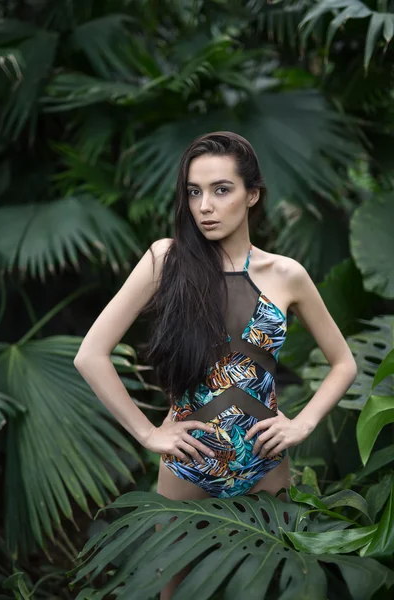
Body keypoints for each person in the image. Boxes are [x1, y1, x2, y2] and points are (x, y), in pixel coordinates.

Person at [74, 131, 358, 599]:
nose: (204, 205)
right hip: (188, 463)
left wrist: (303, 423)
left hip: (264, 466)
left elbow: (343, 363)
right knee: (176, 592)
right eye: (194, 191)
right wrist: (148, 434)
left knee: (266, 589)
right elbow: (91, 354)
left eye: (221, 190)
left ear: (252, 195)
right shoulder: (166, 259)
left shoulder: (287, 275)